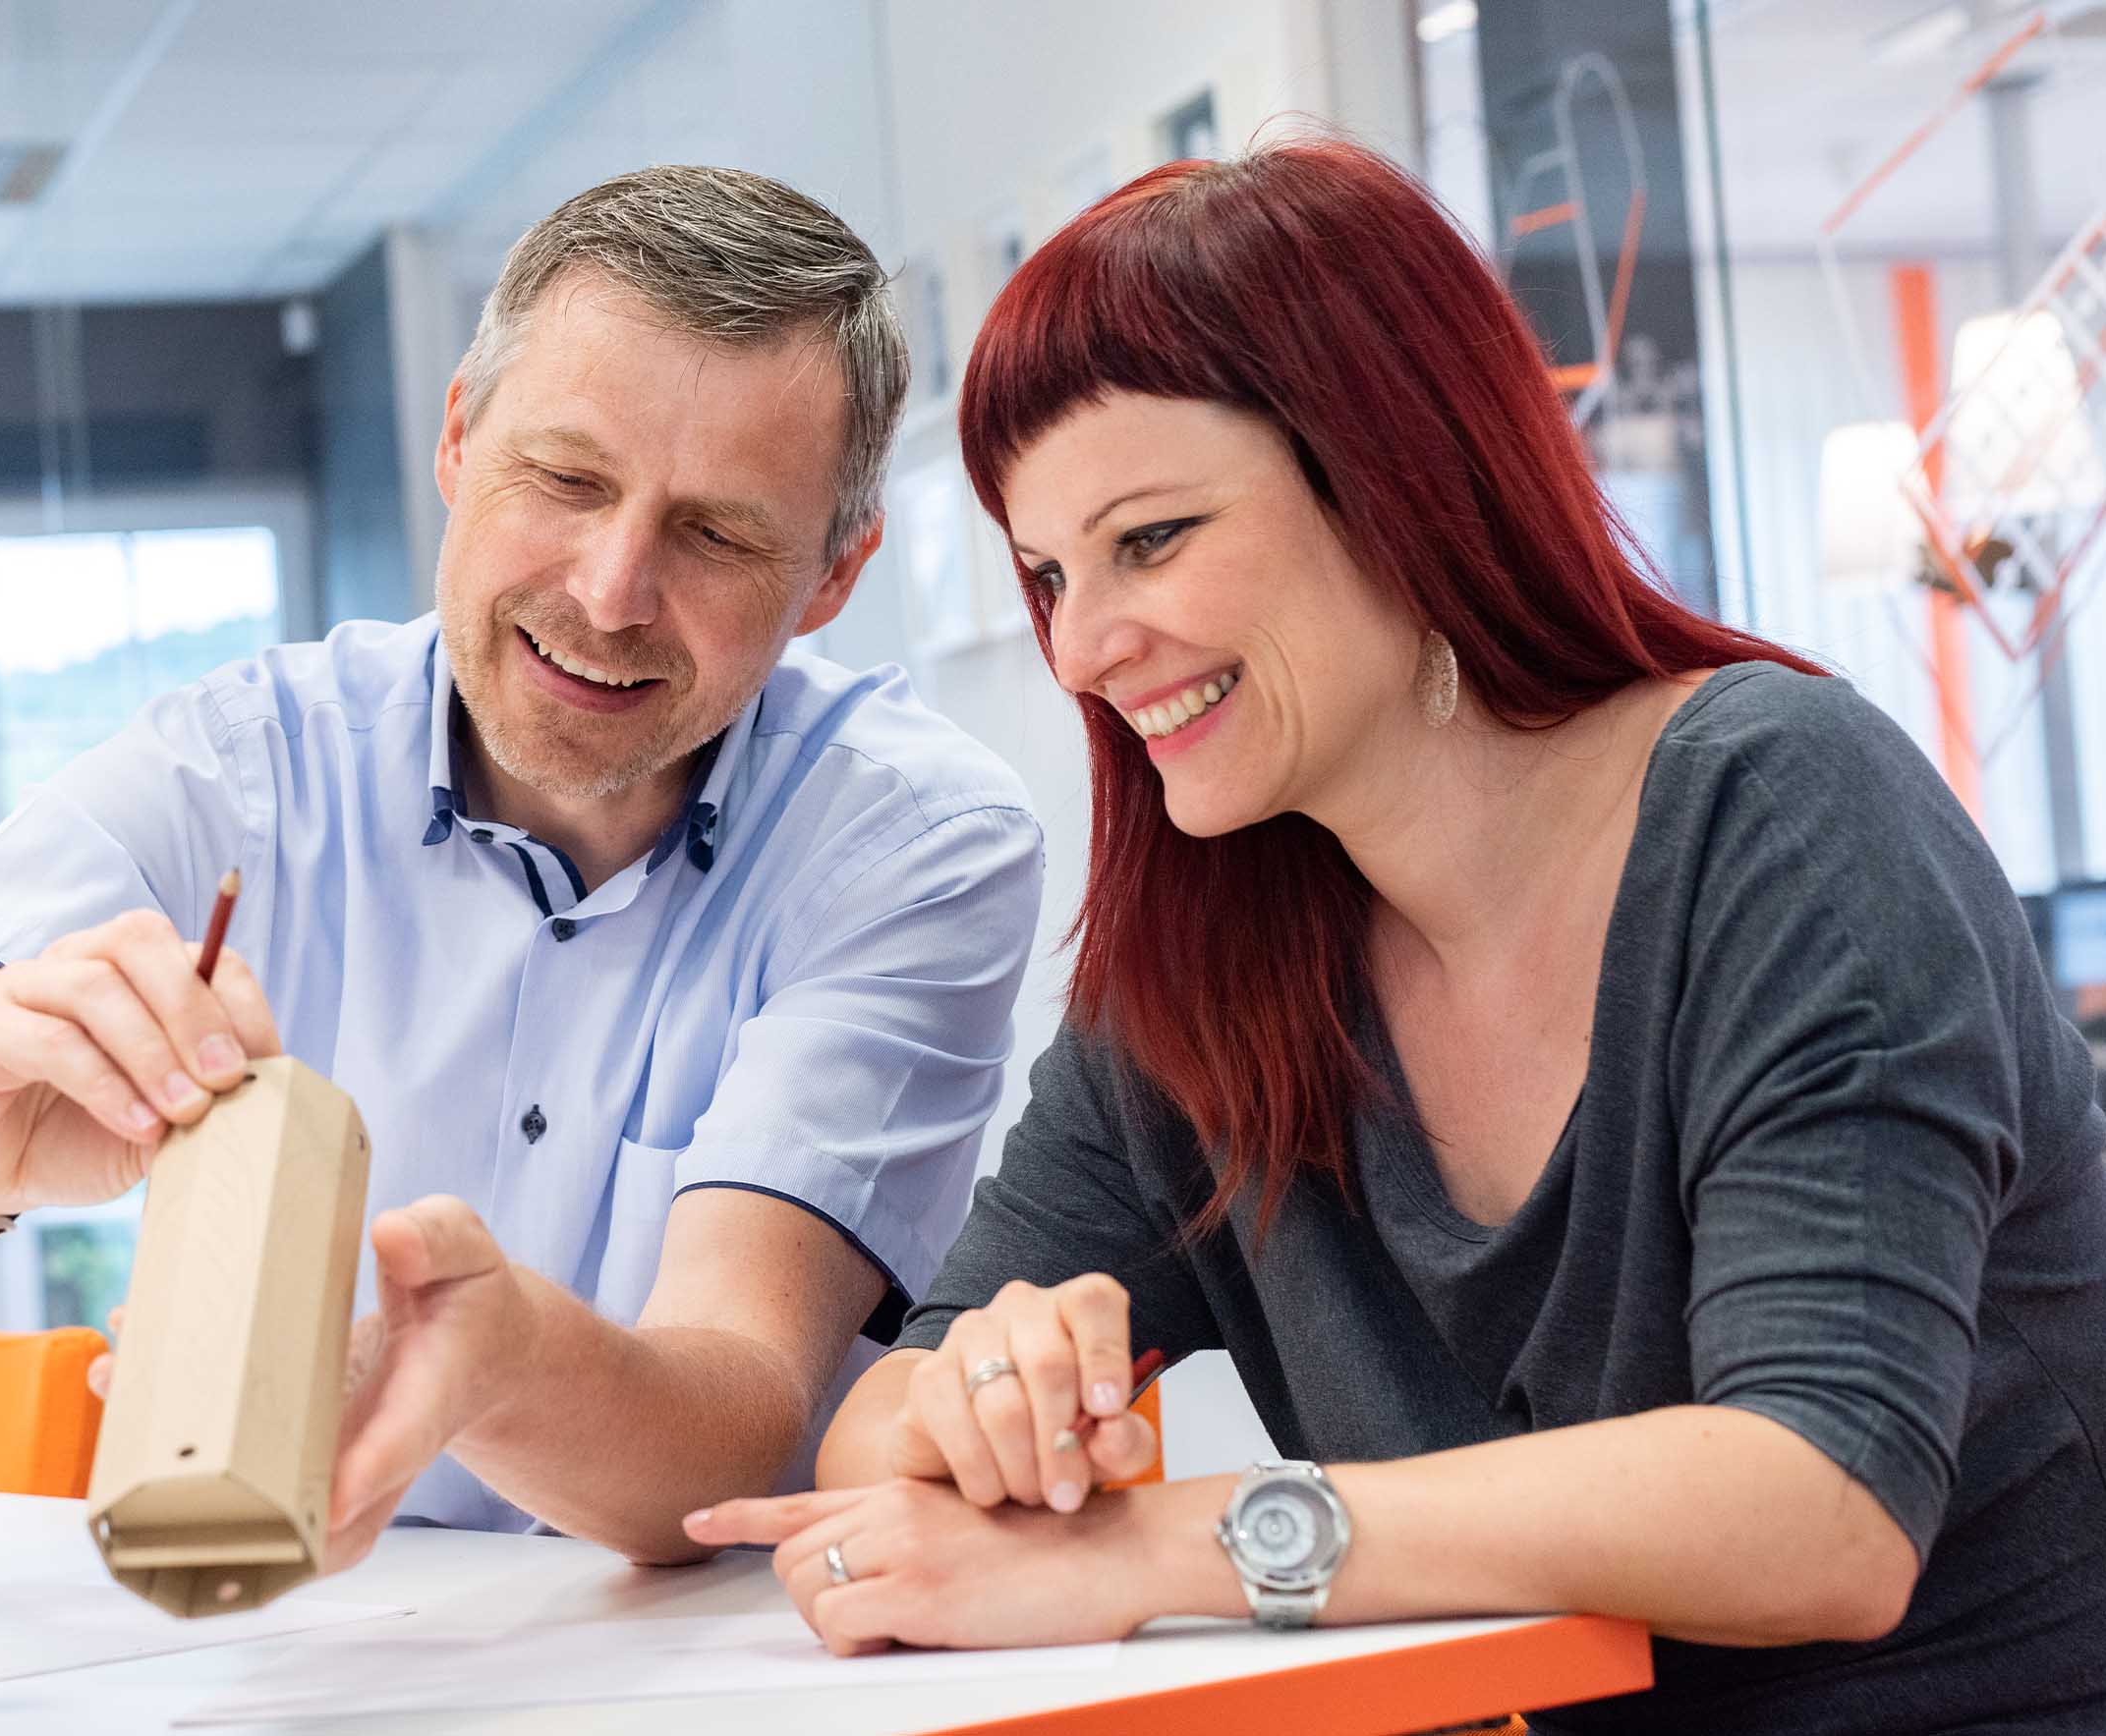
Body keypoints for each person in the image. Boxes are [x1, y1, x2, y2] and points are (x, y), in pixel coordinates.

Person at [686, 139, 2106, 1733]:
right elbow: (879, 1424)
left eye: (1152, 539)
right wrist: (984, 1403)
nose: (1083, 647)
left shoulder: (1776, 808)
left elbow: (1827, 1499)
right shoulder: (1204, 949)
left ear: (1401, 478)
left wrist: (1171, 1540)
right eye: (1048, 573)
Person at [0, 164, 1046, 1570]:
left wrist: (493, 1363)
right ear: (456, 442)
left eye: (717, 534)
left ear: (835, 576)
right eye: (563, 479)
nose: (611, 593)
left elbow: (735, 1414)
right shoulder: (240, 770)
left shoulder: (910, 846)